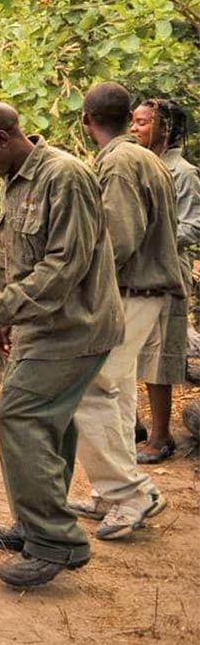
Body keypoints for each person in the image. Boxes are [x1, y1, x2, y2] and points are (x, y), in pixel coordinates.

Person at [0, 102, 123, 588]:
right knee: (48, 424)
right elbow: (16, 259)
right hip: (44, 325)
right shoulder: (16, 181)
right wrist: (10, 316)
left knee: (21, 414)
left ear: (5, 138)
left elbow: (63, 266)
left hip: (77, 327)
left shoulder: (64, 177)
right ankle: (34, 525)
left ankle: (55, 540)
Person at [60, 83, 173, 537]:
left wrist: (79, 288)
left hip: (131, 291)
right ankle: (115, 492)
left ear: (86, 121)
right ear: (128, 117)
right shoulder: (142, 156)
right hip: (144, 291)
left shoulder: (120, 163)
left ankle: (129, 493)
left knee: (89, 390)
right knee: (118, 392)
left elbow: (117, 240)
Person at [130, 98, 197, 463]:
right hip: (139, 274)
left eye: (143, 122)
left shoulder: (182, 172)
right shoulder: (140, 164)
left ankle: (162, 436)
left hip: (168, 274)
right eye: (133, 122)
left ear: (165, 129)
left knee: (159, 359)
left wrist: (154, 232)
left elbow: (194, 225)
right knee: (131, 353)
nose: (135, 128)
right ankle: (135, 426)